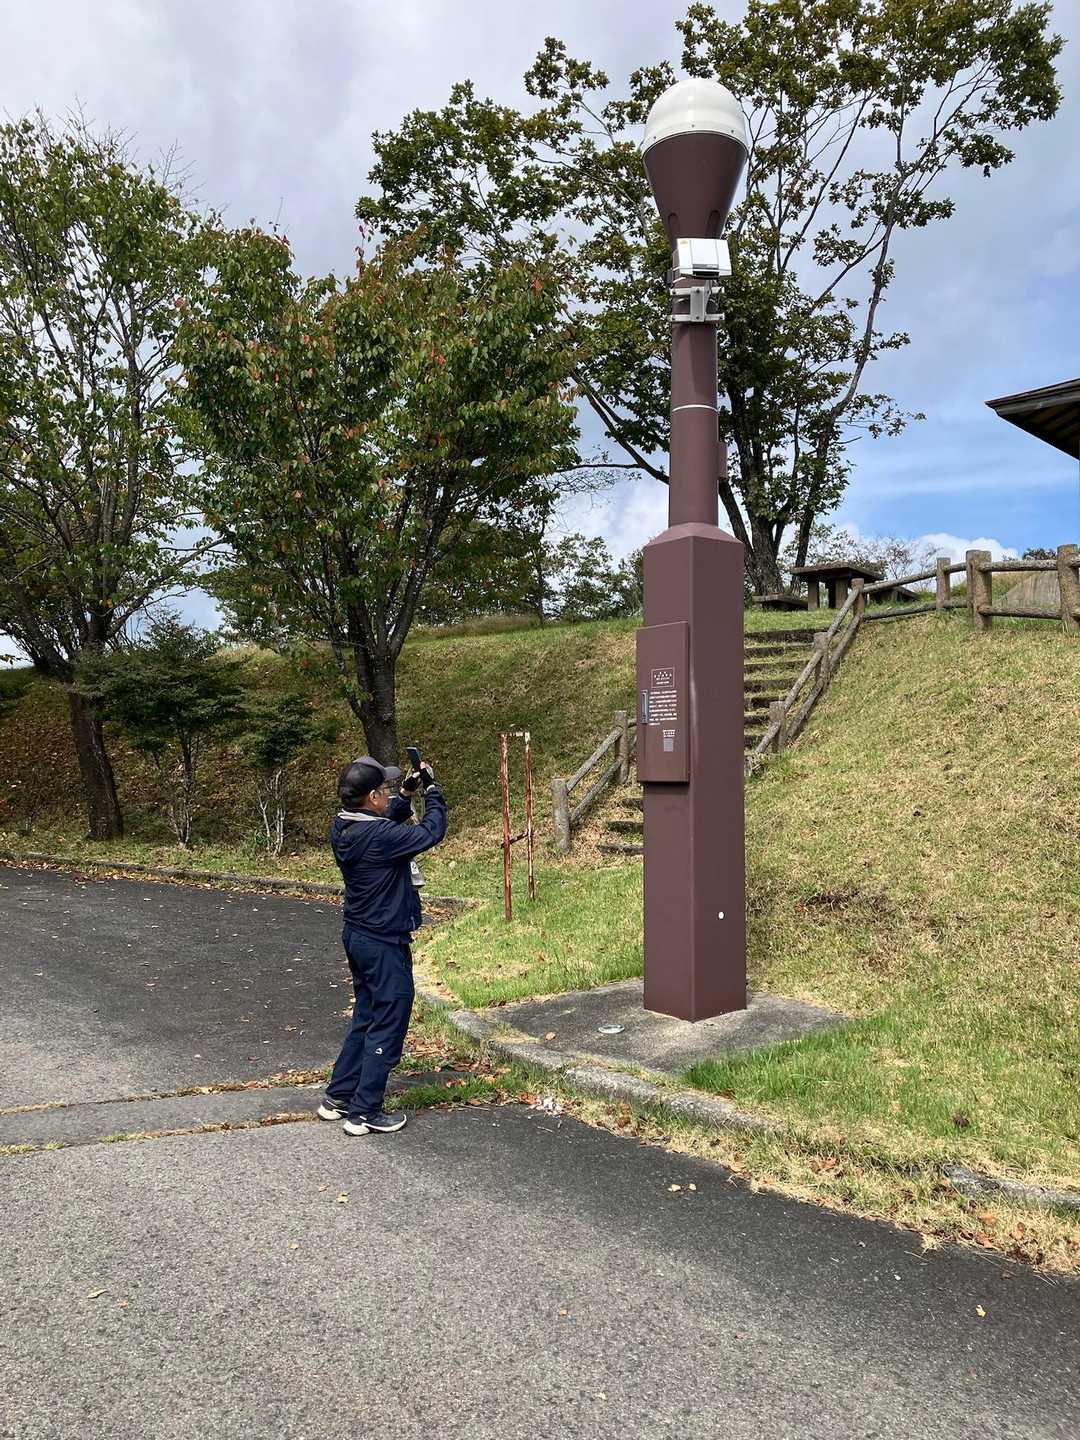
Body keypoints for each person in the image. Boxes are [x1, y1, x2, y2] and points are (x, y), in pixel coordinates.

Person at [317, 753, 447, 1135]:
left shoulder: (343, 825)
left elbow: (384, 821)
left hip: (358, 935)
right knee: (389, 1018)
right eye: (385, 790)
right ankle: (364, 1112)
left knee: (367, 1015)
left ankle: (338, 1097)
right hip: (383, 940)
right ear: (372, 797)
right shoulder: (380, 837)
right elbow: (431, 831)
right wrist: (432, 791)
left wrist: (406, 795)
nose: (388, 794)